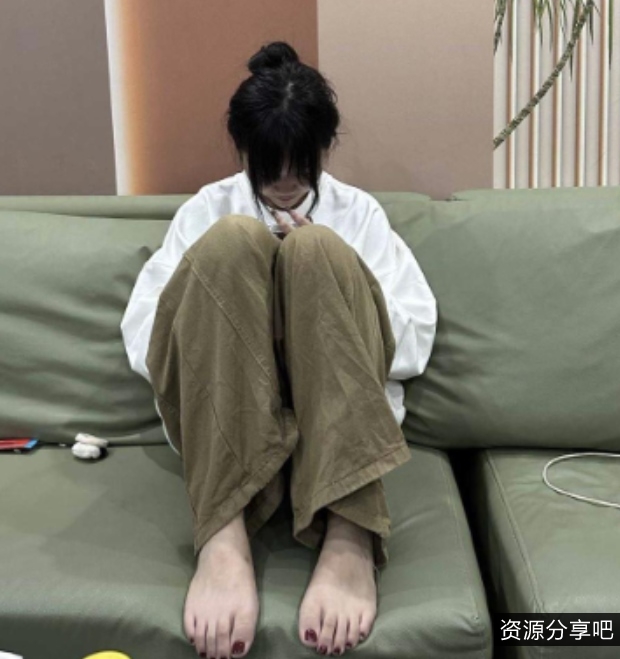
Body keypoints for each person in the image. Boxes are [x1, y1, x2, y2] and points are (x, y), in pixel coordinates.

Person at [120, 41, 437, 659]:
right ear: (243, 149)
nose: (286, 181)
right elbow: (144, 338)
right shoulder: (209, 209)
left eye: (301, 164)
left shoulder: (358, 213)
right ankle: (222, 531)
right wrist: (245, 307)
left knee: (315, 252)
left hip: (334, 427)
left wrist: (318, 297)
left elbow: (414, 341)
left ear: (324, 148)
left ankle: (349, 529)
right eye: (269, 165)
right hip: (228, 421)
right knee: (232, 242)